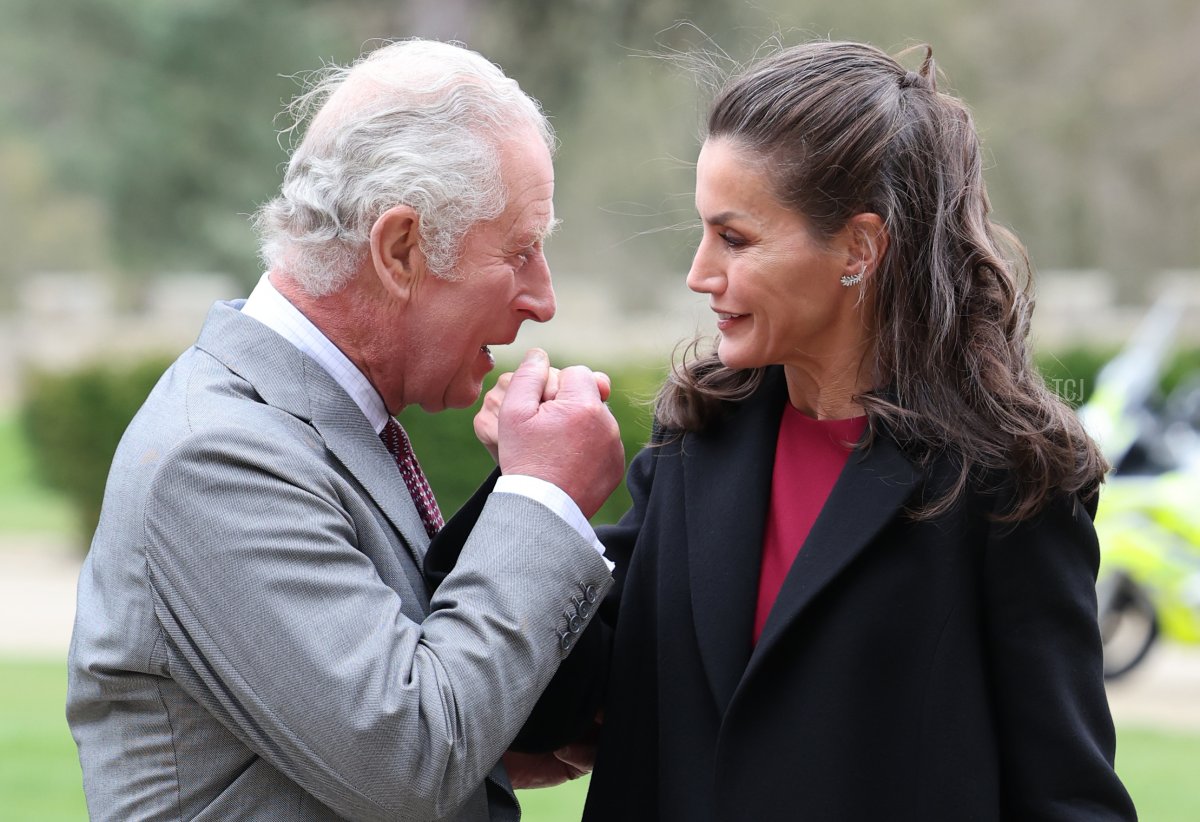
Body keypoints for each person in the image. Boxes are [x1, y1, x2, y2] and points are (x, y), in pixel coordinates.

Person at [479, 39, 1137, 820]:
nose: (699, 272)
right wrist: (532, 490)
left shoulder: (1005, 483)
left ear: (858, 248)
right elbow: (560, 709)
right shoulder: (693, 444)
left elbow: (1067, 795)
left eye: (735, 238)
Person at [65, 39, 625, 821]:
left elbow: (372, 719)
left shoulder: (321, 426)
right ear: (400, 249)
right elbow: (410, 757)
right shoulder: (217, 458)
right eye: (521, 251)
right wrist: (543, 497)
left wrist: (509, 733)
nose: (543, 298)